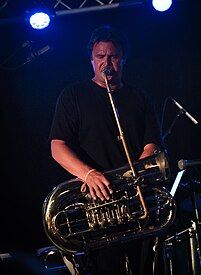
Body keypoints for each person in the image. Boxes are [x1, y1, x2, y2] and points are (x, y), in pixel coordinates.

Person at [49, 25, 162, 275]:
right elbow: (57, 146)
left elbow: (152, 143)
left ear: (123, 59)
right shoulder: (73, 96)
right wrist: (88, 174)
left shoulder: (139, 97)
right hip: (96, 204)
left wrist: (136, 177)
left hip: (137, 201)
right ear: (91, 60)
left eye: (113, 56)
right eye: (100, 57)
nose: (106, 62)